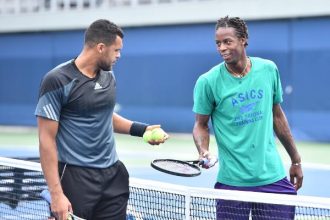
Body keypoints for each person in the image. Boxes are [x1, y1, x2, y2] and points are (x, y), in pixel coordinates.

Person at [35, 19, 168, 220]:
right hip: (76, 178)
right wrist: (56, 194)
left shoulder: (108, 76)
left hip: (113, 176)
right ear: (100, 48)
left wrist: (143, 130)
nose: (119, 56)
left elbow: (105, 116)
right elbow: (46, 141)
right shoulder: (57, 80)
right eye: (116, 50)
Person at [192, 16, 303, 219]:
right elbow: (201, 125)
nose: (222, 48)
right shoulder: (207, 82)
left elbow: (277, 116)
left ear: (243, 40)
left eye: (228, 41)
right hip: (232, 182)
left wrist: (296, 161)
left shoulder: (268, 69)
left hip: (273, 178)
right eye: (218, 43)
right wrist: (204, 150)